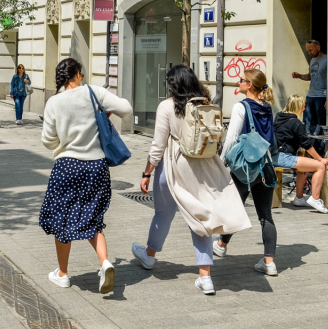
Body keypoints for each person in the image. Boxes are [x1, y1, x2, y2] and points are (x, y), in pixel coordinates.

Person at [132, 65, 251, 295]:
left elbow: (157, 146)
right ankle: (205, 277)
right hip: (203, 166)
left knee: (163, 213)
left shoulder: (167, 106)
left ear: (173, 84)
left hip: (173, 166)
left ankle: (149, 255)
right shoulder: (204, 101)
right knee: (201, 218)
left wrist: (147, 173)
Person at [39, 58, 133, 294]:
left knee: (62, 218)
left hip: (67, 166)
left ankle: (62, 274)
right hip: (96, 166)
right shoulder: (94, 92)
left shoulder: (53, 102)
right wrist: (104, 112)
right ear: (78, 75)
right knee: (93, 218)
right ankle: (105, 263)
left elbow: (47, 140)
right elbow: (126, 109)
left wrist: (64, 139)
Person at [213, 69, 280, 276]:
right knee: (265, 216)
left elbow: (232, 137)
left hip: (244, 168)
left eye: (241, 80)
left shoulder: (241, 107)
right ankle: (270, 262)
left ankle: (221, 246)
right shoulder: (268, 107)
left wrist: (222, 163)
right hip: (265, 167)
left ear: (250, 85)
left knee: (234, 210)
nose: (238, 83)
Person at [275, 94, 328, 213]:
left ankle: (299, 198)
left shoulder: (279, 117)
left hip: (274, 155)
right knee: (320, 166)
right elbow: (307, 145)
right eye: (303, 106)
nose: (304, 109)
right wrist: (321, 159)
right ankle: (315, 198)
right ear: (299, 107)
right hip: (283, 157)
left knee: (305, 167)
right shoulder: (296, 122)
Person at [292, 40, 327, 136]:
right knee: (307, 122)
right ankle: (308, 142)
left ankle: (319, 144)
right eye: (308, 51)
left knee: (320, 123)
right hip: (310, 95)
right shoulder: (312, 60)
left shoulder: (327, 60)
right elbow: (310, 76)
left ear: (318, 48)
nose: (309, 53)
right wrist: (299, 76)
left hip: (321, 96)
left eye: (311, 50)